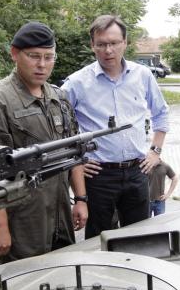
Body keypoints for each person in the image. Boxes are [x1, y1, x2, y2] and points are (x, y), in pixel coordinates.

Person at [0, 21, 87, 263]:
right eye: (33, 56)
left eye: (48, 57)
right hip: (21, 218)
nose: (42, 65)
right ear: (14, 54)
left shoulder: (58, 97)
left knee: (62, 276)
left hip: (60, 213)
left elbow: (75, 152)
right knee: (24, 285)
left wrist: (81, 199)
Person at [62, 15, 169, 239]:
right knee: (97, 241)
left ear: (125, 43)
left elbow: (161, 113)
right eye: (101, 44)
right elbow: (58, 128)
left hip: (138, 171)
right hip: (98, 176)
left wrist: (156, 151)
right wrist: (77, 163)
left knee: (139, 238)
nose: (108, 50)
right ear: (92, 46)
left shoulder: (143, 76)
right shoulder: (77, 83)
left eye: (113, 43)